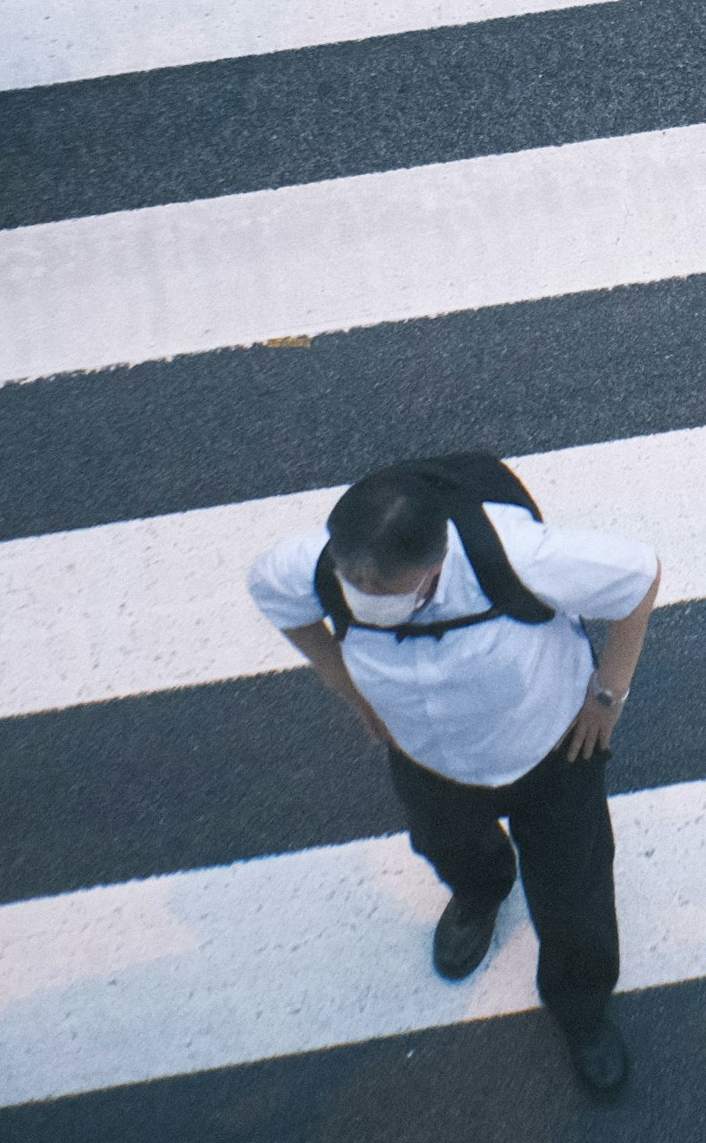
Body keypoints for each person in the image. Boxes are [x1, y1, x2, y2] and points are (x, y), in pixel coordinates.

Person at [247, 462, 663, 1100]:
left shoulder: (512, 554)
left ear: (436, 565)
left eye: (386, 589)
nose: (365, 599)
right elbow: (274, 596)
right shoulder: (318, 565)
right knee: (446, 845)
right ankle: (482, 892)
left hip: (550, 752)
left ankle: (581, 1011)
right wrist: (345, 682)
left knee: (573, 894)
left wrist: (606, 698)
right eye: (352, 580)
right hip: (428, 759)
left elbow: (637, 579)